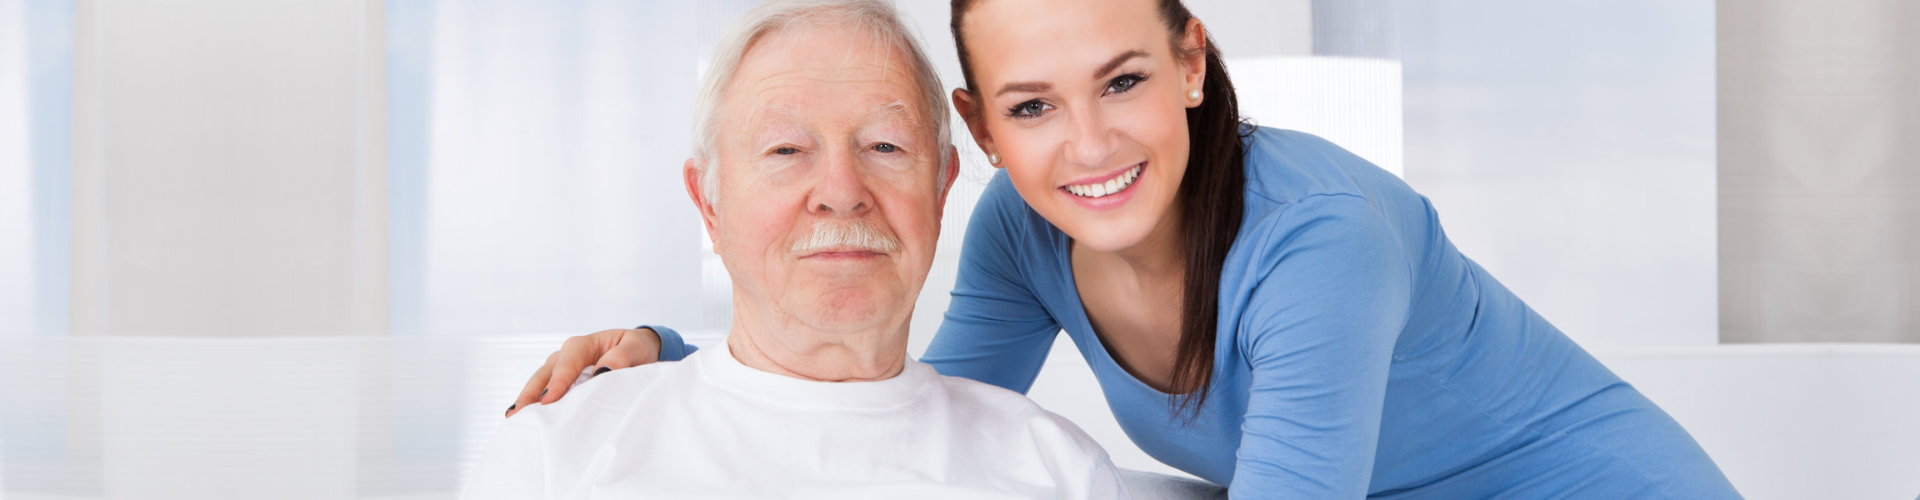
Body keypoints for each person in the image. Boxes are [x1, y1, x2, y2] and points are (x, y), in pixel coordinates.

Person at [514, 0, 1743, 497]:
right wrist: (695, 360)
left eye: (1124, 80)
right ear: (982, 131)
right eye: (1035, 105)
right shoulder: (1025, 229)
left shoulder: (1323, 242)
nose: (1088, 144)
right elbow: (916, 414)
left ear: (1193, 62)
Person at [461, 1, 1131, 498]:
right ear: (709, 203)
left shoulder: (1058, 470)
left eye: (885, 148)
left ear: (940, 189)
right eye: (786, 151)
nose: (842, 192)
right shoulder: (557, 454)